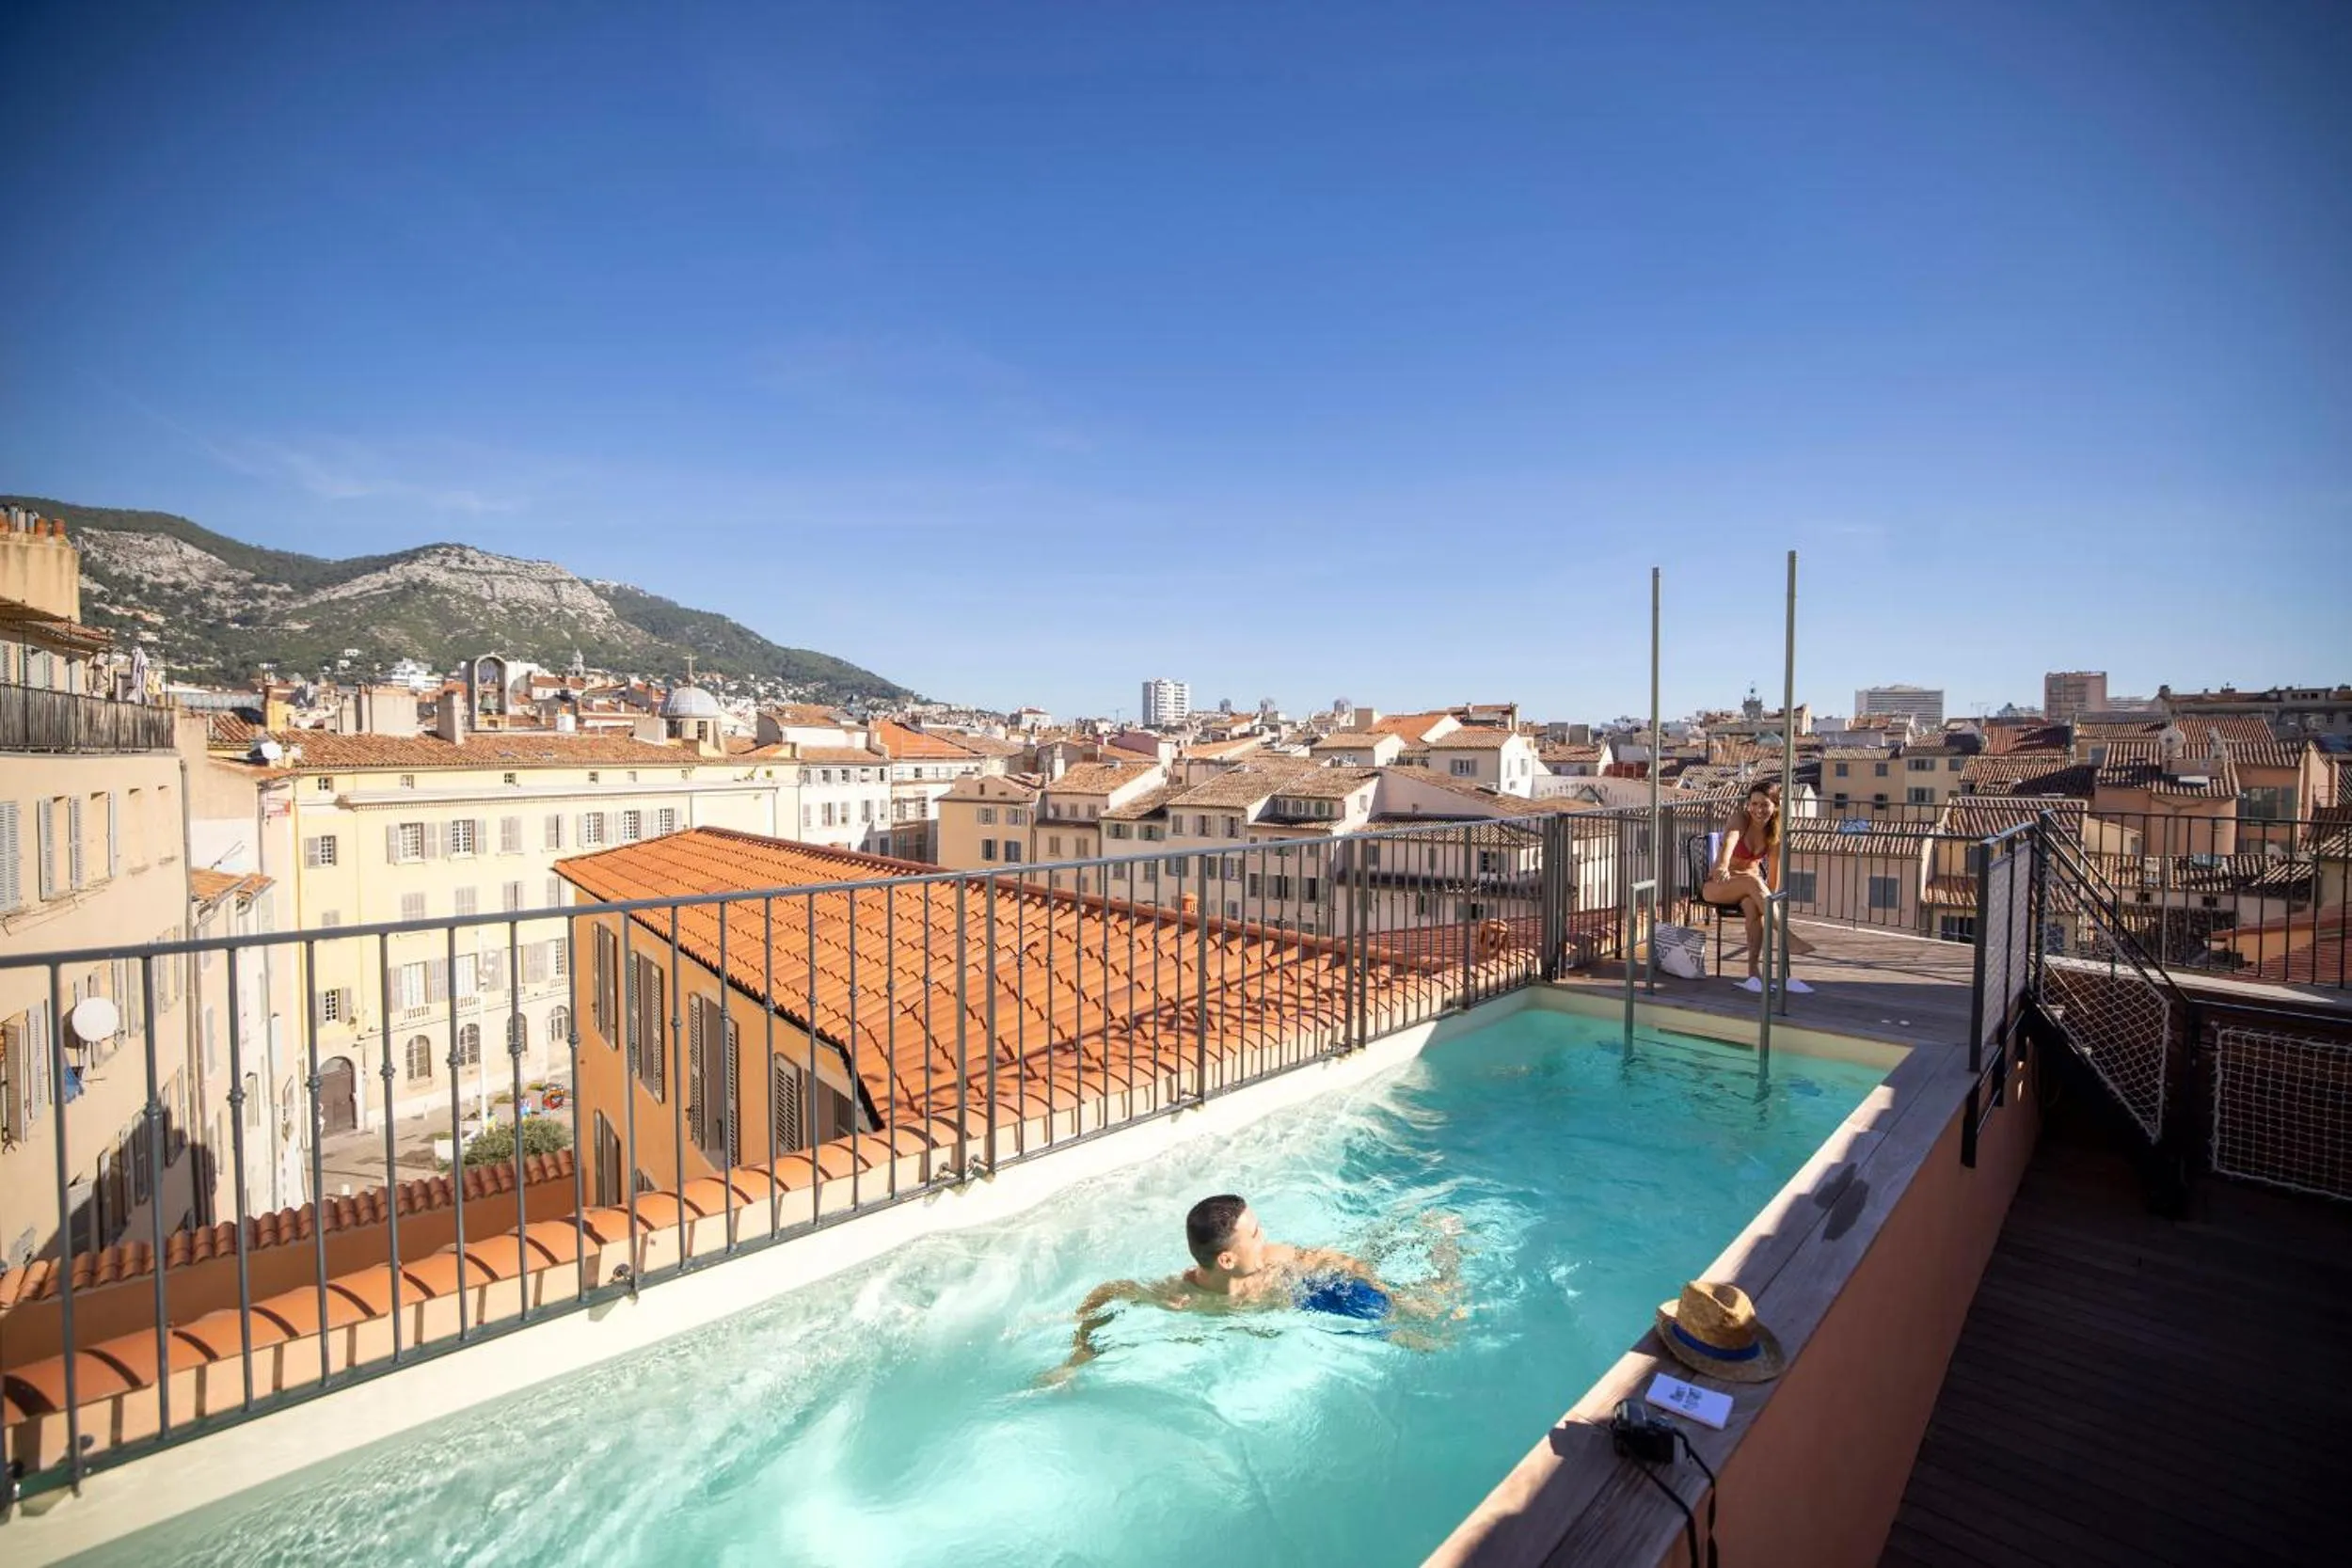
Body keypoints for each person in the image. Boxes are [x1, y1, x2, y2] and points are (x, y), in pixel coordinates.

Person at [1042, 1195, 1462, 1384]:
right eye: (1256, 1235)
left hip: (1307, 1292)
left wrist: (1377, 1284)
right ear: (1226, 1259)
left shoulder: (1275, 1261)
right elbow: (1110, 1291)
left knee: (1429, 1329)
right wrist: (1079, 1353)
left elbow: (1334, 1261)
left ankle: (1446, 1253)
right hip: (1285, 1308)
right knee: (1424, 1338)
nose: (1267, 1239)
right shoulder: (1182, 1295)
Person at [1704, 781, 1816, 993]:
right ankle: (1786, 937)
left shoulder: (1774, 832)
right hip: (1719, 884)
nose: (1758, 810)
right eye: (1753, 804)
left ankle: (1753, 975)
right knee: (1753, 881)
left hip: (1750, 888)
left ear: (1775, 806)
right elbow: (1729, 841)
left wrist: (1767, 904)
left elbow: (1773, 877)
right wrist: (1723, 865)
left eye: (1764, 804)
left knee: (1754, 908)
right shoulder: (1740, 819)